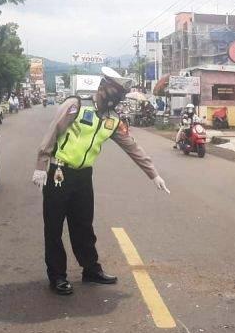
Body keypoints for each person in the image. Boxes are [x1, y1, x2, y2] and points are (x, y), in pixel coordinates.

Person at [32, 67, 170, 296]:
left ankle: (91, 270)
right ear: (103, 88)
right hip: (59, 172)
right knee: (54, 227)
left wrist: (153, 174)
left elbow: (132, 147)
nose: (116, 99)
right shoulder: (75, 105)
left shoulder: (112, 120)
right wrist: (41, 164)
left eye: (120, 96)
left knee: (84, 226)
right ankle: (57, 276)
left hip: (84, 176)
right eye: (114, 93)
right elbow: (52, 133)